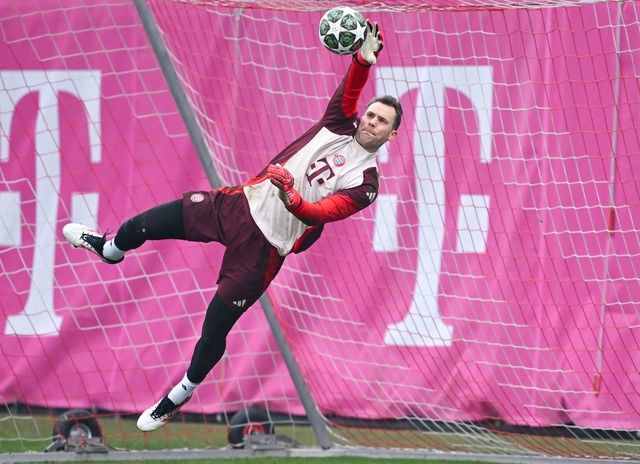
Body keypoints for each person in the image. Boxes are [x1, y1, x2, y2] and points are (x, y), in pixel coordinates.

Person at [62, 20, 402, 432]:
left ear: (392, 134)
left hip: (264, 249)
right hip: (238, 204)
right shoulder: (337, 122)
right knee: (145, 224)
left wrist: (292, 195)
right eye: (370, 114)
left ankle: (181, 392)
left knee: (214, 327)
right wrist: (363, 58)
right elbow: (351, 87)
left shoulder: (366, 184)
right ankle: (109, 249)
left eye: (381, 122)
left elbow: (321, 214)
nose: (370, 122)